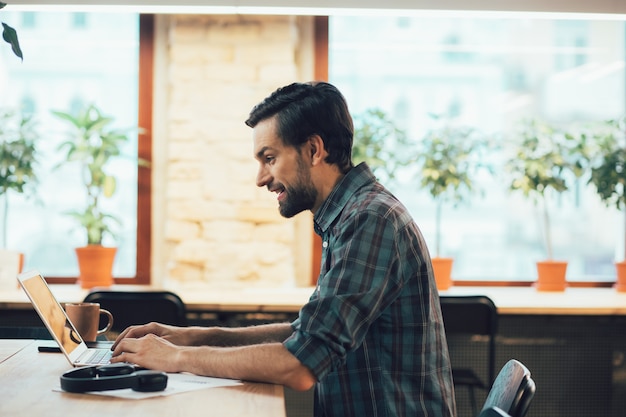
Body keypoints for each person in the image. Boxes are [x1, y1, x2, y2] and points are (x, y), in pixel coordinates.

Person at [111, 81, 456, 417]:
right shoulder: (351, 215)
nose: (261, 177)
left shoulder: (370, 220)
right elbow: (306, 335)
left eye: (270, 158)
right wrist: (191, 338)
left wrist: (175, 358)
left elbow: (300, 364)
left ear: (313, 150)